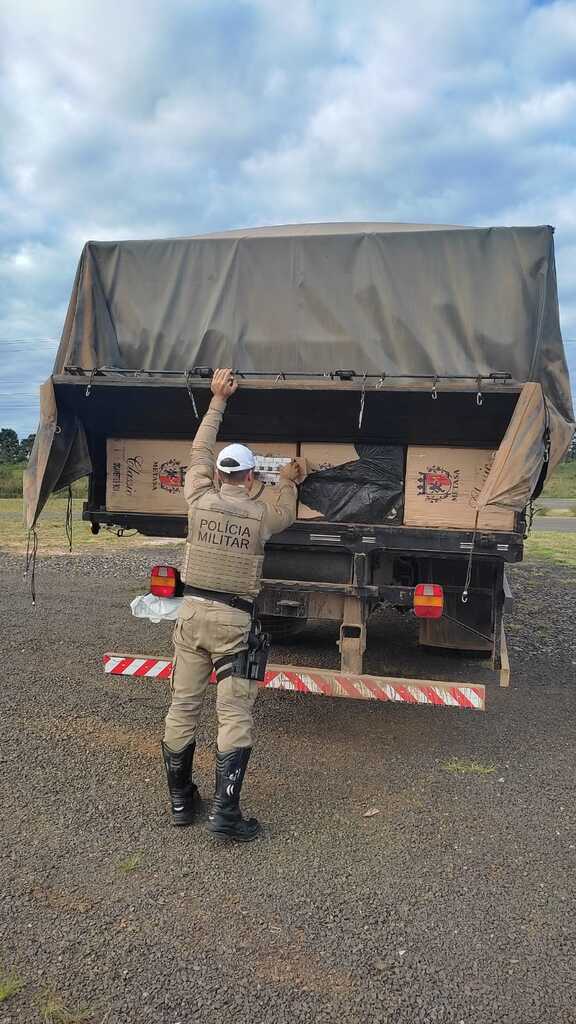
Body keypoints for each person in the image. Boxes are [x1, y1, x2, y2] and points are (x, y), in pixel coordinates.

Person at [161, 368, 306, 842]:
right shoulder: (261, 514)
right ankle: (226, 815)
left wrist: (217, 400)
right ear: (249, 476)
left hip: (192, 616)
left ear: (221, 474)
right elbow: (287, 509)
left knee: (183, 707)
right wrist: (289, 479)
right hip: (233, 624)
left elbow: (198, 452)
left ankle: (182, 801)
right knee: (234, 716)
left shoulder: (197, 498)